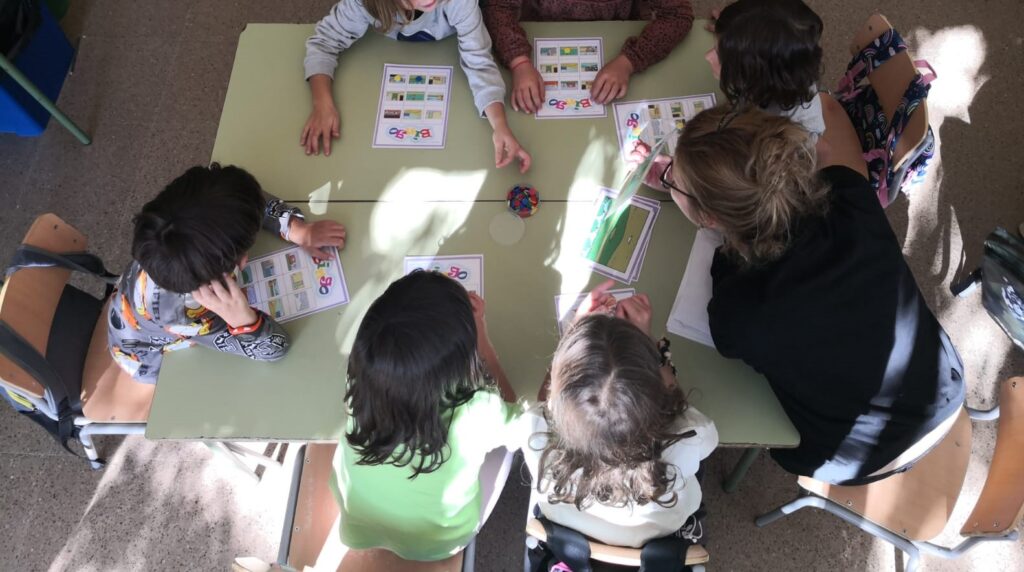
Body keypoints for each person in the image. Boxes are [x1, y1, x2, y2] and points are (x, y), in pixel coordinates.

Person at [654, 105, 965, 485]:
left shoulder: (739, 312)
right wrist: (700, 191)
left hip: (867, 455)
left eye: (674, 183)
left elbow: (732, 310)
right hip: (944, 388)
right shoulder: (847, 190)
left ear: (710, 219)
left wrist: (715, 232)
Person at [332, 271, 519, 561]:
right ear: (461, 358)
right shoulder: (479, 411)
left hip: (358, 528)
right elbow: (509, 402)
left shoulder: (359, 381)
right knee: (503, 449)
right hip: (438, 543)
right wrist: (480, 334)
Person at [517, 281, 717, 547]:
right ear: (654, 392)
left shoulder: (534, 430)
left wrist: (573, 334)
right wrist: (647, 344)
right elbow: (688, 418)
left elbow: (548, 401)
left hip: (570, 535)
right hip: (659, 536)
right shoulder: (689, 435)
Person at [108, 164, 347, 383]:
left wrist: (294, 228)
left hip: (137, 299)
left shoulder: (191, 209)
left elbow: (247, 199)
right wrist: (243, 321)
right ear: (240, 260)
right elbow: (275, 350)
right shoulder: (186, 311)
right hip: (145, 355)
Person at [302, 0, 531, 173]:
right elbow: (323, 44)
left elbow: (478, 61)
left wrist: (500, 125)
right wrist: (322, 103)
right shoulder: (361, 4)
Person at [482, 0, 695, 112]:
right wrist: (519, 61)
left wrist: (630, 61)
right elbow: (498, 6)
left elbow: (678, 15)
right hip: (542, 27)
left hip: (613, 31)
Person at [706, 0, 825, 139]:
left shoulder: (791, 135)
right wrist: (733, 31)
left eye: (719, 54)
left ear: (758, 76)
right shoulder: (777, 73)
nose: (707, 56)